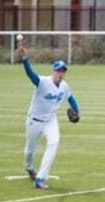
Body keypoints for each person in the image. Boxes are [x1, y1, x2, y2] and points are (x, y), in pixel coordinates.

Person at [17, 40, 80, 190]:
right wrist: (24, 58)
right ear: (53, 71)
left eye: (63, 71)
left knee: (54, 142)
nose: (61, 73)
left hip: (50, 120)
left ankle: (40, 178)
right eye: (58, 71)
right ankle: (30, 168)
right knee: (29, 151)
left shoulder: (64, 86)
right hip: (34, 120)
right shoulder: (43, 82)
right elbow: (30, 75)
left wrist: (77, 112)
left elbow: (71, 98)